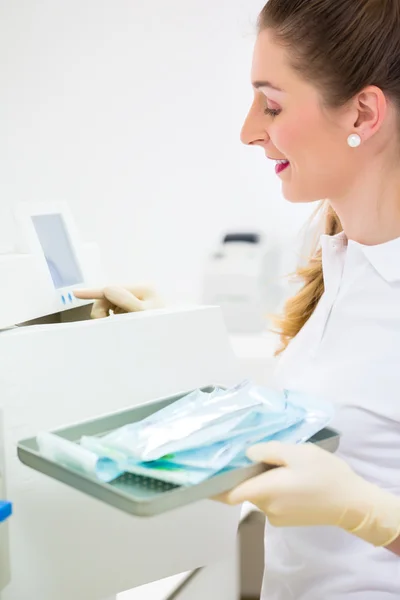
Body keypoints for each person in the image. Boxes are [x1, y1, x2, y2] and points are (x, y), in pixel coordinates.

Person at [75, 0, 400, 597]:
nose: (249, 130)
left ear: (363, 111)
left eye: (271, 104)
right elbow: (341, 408)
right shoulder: (345, 258)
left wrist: (370, 511)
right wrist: (169, 337)